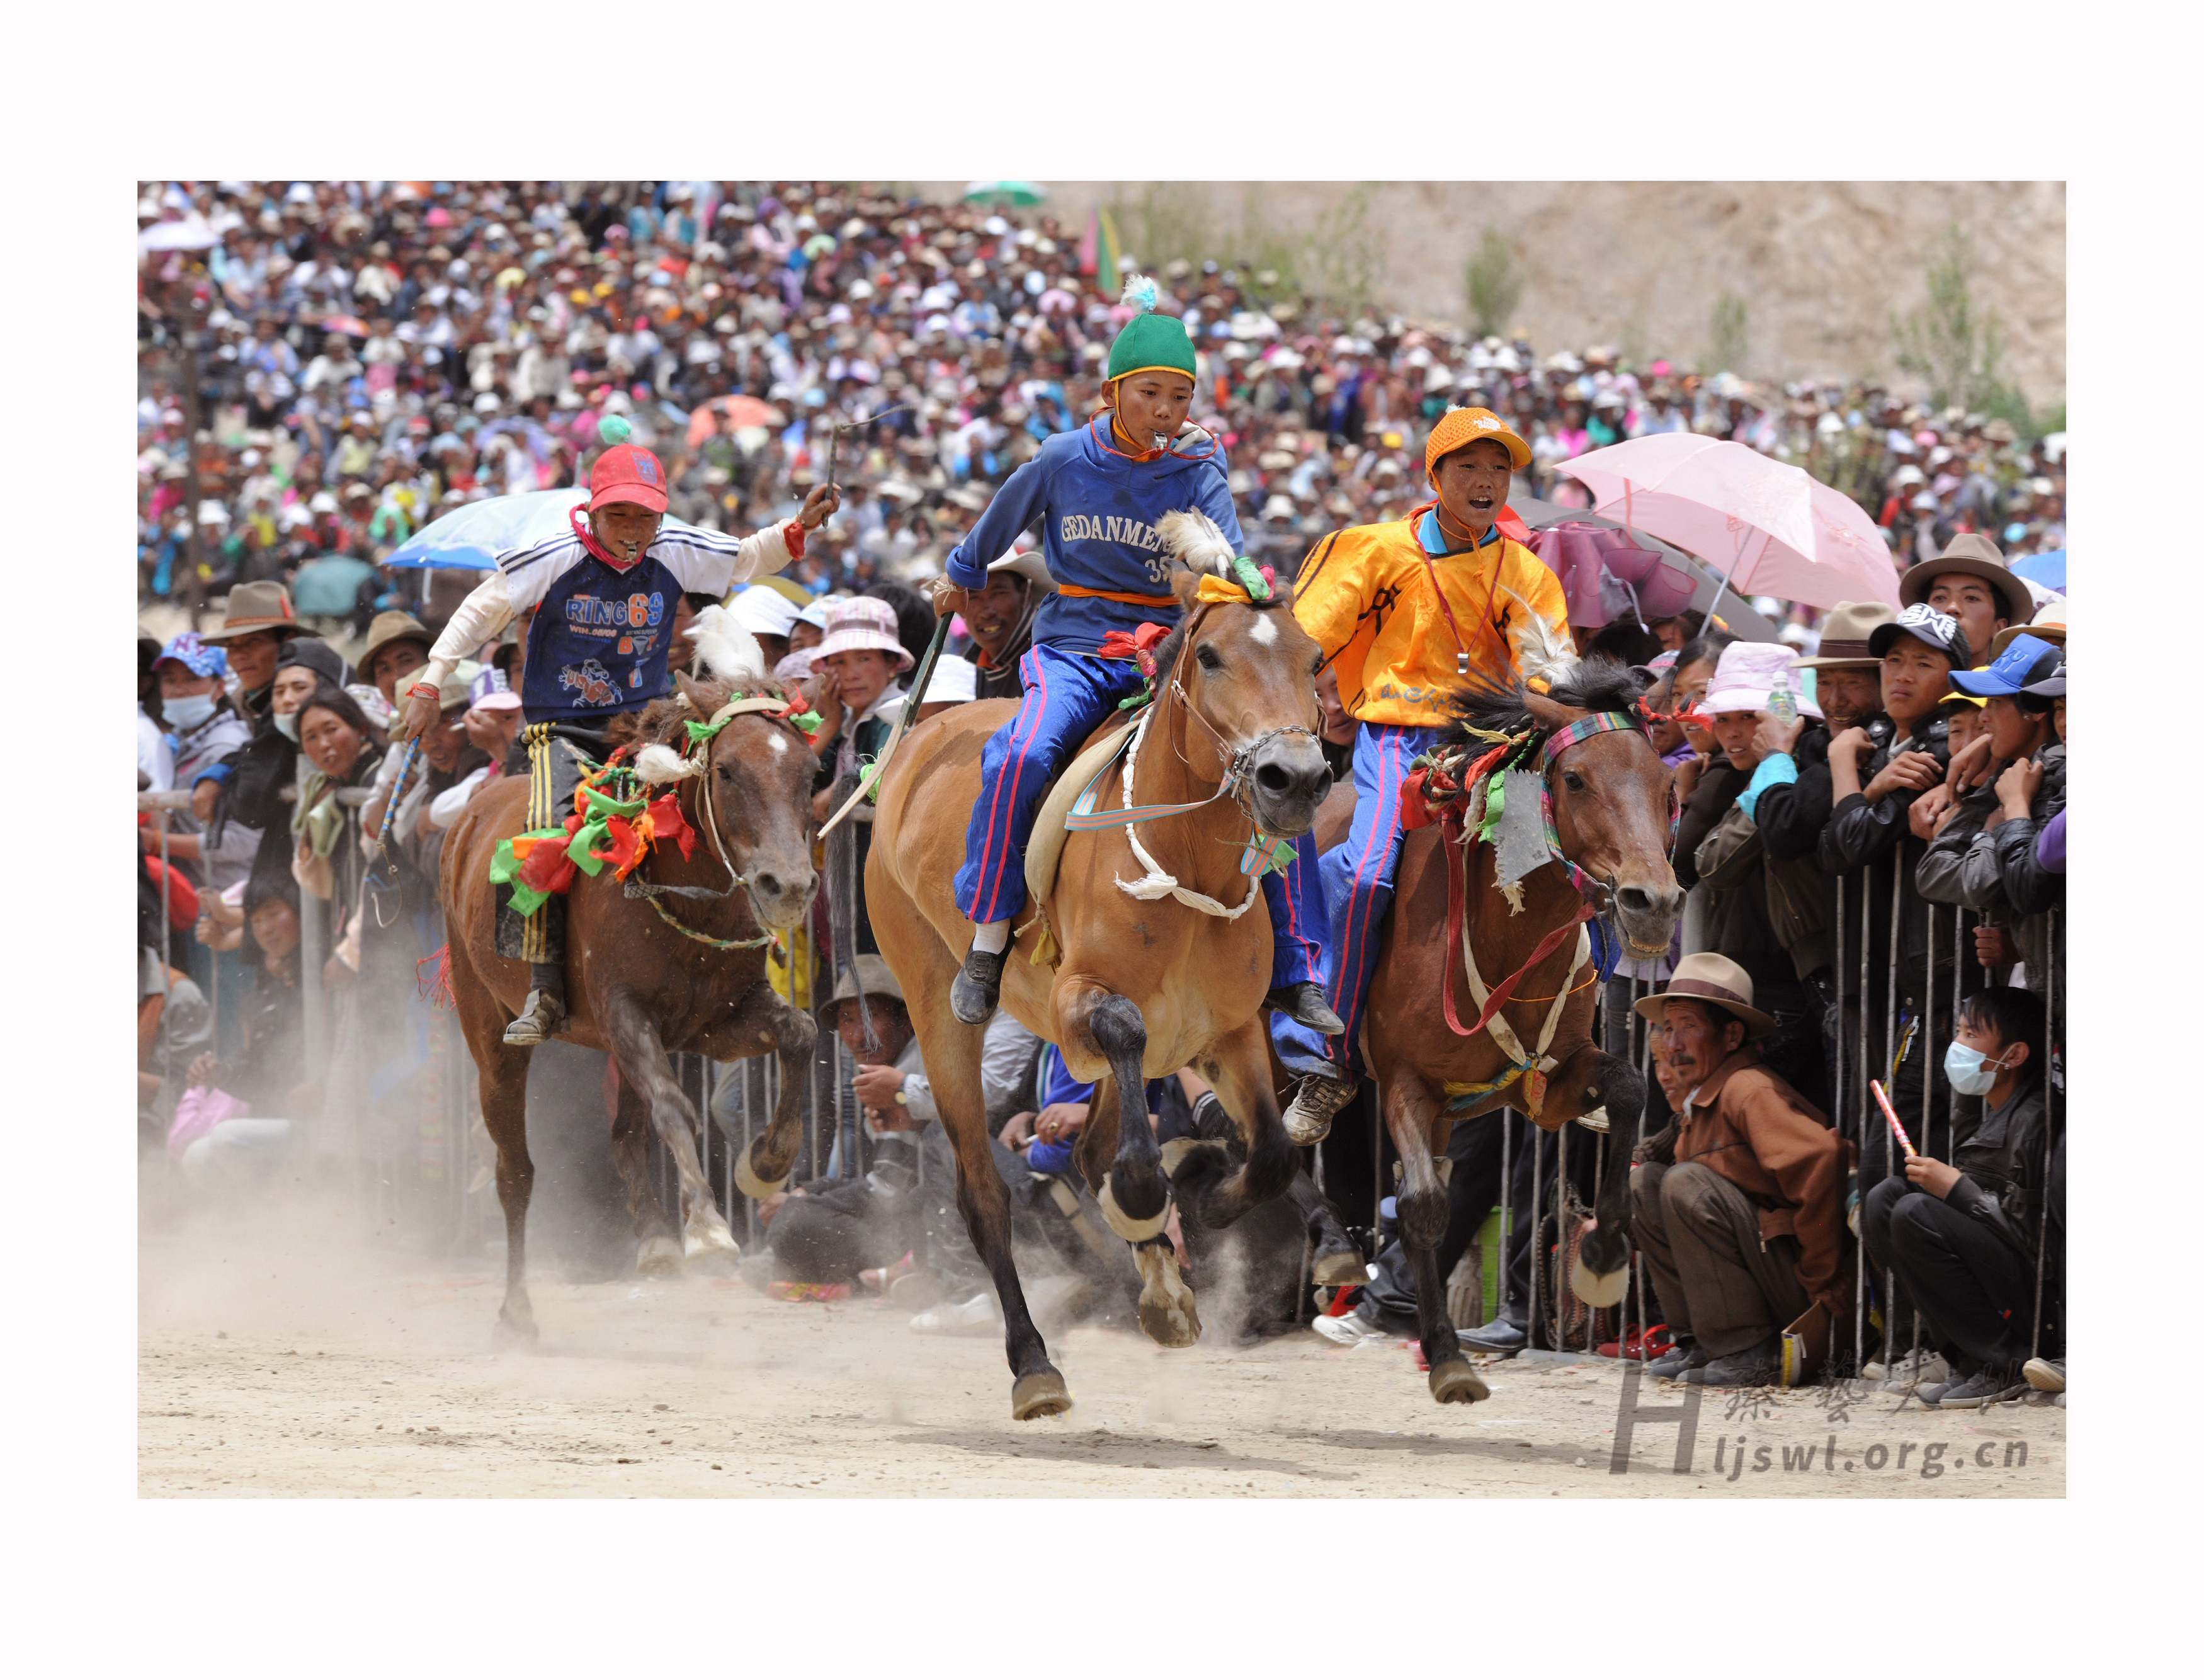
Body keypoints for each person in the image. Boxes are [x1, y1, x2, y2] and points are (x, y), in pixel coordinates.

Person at [924, 278, 1326, 1031]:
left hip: (1165, 656)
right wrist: (961, 573)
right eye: (1149, 393)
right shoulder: (1061, 458)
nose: (1165, 411)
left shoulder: (1198, 466)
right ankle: (987, 936)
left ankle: (1296, 965)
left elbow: (1228, 555)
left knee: (1269, 763)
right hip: (1075, 649)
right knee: (1020, 754)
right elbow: (994, 526)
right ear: (1111, 392)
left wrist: (1240, 575)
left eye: (1179, 396)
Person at [392, 433, 837, 1045]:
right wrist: (430, 680)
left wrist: (798, 526)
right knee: (548, 829)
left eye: (645, 516)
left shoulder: (676, 547)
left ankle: (719, 971)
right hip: (562, 726)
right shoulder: (553, 555)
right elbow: (479, 611)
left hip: (645, 724)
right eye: (619, 514)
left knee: (699, 810)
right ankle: (544, 987)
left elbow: (744, 557)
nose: (633, 529)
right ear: (593, 510)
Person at [1272, 405, 1571, 1139]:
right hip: (1397, 741)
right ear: (1433, 475)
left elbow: (1548, 677)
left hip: (1498, 747)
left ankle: (1569, 1054)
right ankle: (1326, 1059)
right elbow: (1302, 638)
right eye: (1468, 467)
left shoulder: (1527, 573)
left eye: (1498, 468)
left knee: (1554, 877)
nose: (1485, 480)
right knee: (1366, 875)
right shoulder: (1371, 551)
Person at [1630, 954, 1854, 1386]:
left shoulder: (1747, 1089)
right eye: (1669, 1028)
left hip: (1800, 1290)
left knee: (1684, 1184)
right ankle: (1698, 1341)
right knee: (1646, 1183)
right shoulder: (1704, 1099)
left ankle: (1747, 1348)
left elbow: (1824, 1158)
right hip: (1764, 1271)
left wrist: (1822, 1277)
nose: (1673, 1044)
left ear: (1732, 1035)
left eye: (1689, 1026)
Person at [1819, 601, 1972, 1169]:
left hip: (1926, 974)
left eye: (1923, 664)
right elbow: (1832, 847)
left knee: (1903, 1144)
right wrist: (1873, 787)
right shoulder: (1879, 737)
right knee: (1867, 1125)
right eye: (1893, 661)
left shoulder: (1940, 750)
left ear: (1953, 678)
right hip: (1871, 967)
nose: (1902, 675)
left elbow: (1848, 842)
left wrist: (1846, 768)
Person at [1859, 987, 2049, 1407]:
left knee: (1914, 1211)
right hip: (2001, 1272)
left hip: (2035, 1295)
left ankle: (2001, 1361)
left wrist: (1957, 1191)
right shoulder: (1981, 1109)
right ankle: (1963, 1359)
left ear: (2014, 1054)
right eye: (1958, 1032)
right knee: (1885, 1198)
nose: (1957, 1045)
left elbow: (2035, 1241)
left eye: (1971, 1035)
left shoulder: (2035, 1118)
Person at [1676, 641, 1829, 1108]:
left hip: (1785, 982)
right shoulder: (1753, 774)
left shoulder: (1794, 774)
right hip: (1761, 975)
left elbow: (1713, 863)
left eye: (1749, 717)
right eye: (1723, 719)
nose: (1733, 733)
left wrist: (1772, 770)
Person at [1917, 635, 2067, 992]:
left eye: (1995, 703)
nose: (1983, 718)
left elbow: (1980, 884)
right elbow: (1932, 872)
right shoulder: (2009, 771)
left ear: (2036, 710)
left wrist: (1997, 824)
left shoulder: (2053, 779)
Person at [1896, 534, 2032, 680]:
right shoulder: (1902, 684)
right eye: (1940, 597)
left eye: (1971, 598)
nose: (1952, 608)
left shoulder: (2012, 693)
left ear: (1999, 627)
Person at [198, 579, 306, 727]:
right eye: (231, 646)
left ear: (288, 641)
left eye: (253, 641)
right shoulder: (232, 710)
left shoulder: (314, 704)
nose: (238, 656)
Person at [955, 547, 1054, 701]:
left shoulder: (1047, 653)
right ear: (960, 608)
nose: (987, 612)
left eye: (999, 594)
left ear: (1026, 594)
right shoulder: (985, 662)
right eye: (973, 598)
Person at [354, 610, 435, 710]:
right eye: (384, 669)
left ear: (431, 661)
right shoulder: (380, 719)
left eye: (406, 661)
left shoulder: (454, 715)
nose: (396, 679)